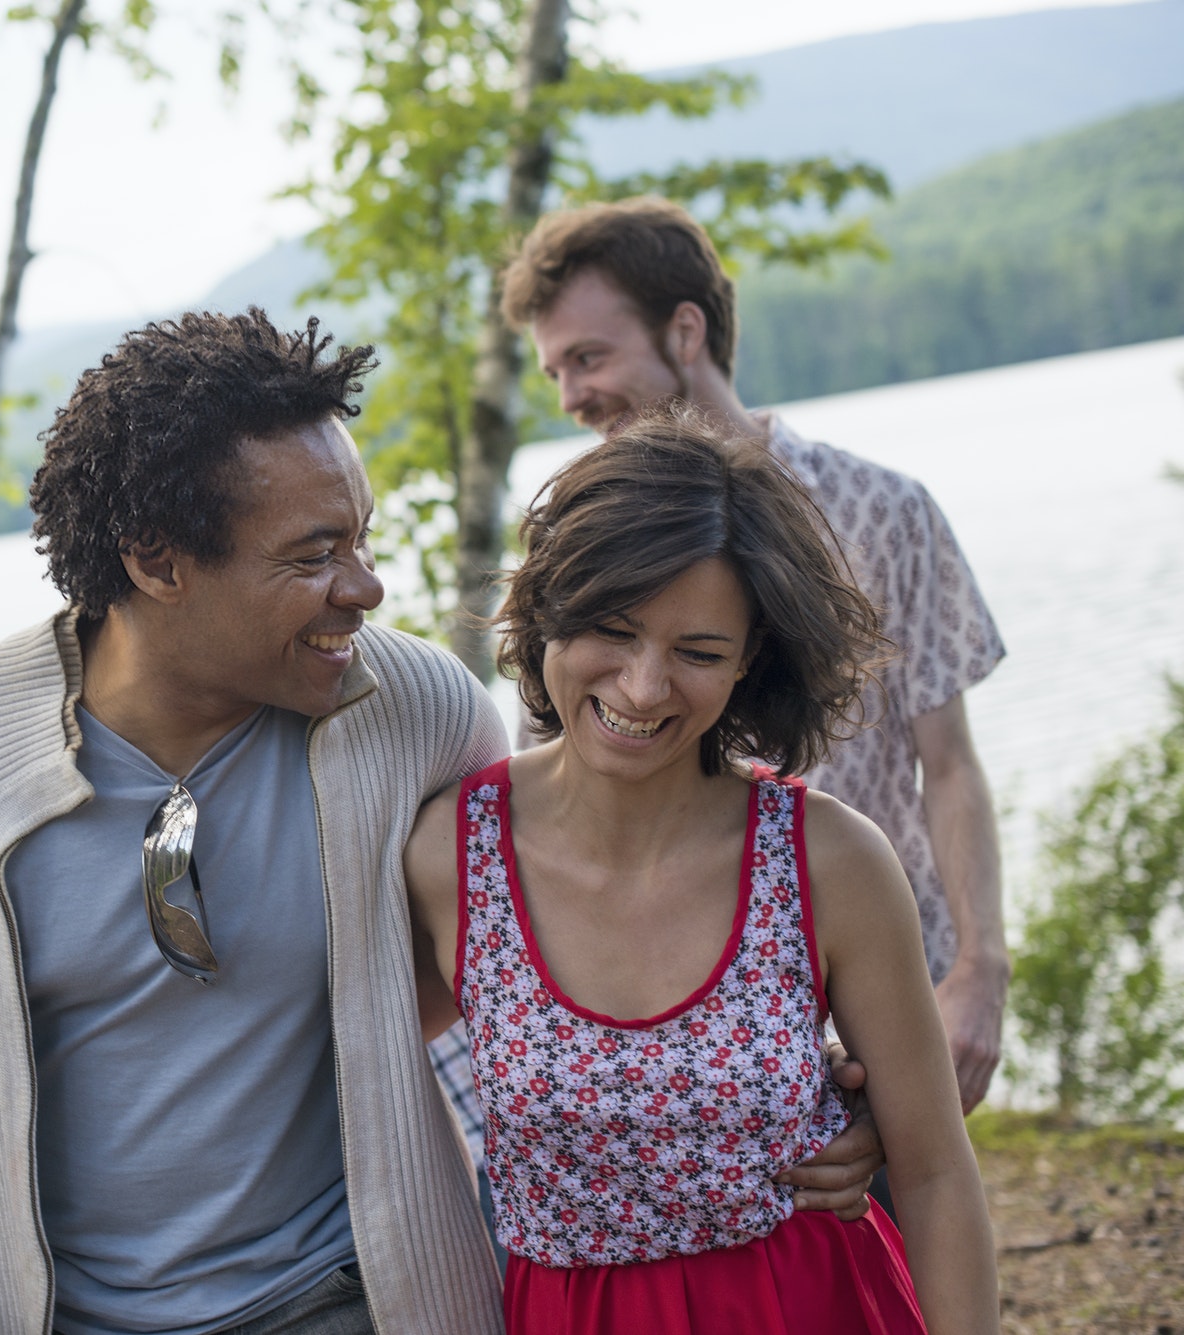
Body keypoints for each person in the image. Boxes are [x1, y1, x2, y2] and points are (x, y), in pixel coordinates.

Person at [0, 308, 876, 1335]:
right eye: (313, 553)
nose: (363, 588)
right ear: (157, 561)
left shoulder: (420, 715)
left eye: (359, 538)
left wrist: (797, 1087)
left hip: (356, 1296)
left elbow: (565, 954)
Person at [405, 414, 997, 1333]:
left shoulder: (831, 861)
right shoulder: (451, 854)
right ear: (550, 605)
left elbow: (932, 1170)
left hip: (814, 1304)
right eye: (613, 627)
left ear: (750, 659)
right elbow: (345, 1070)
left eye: (699, 652)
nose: (644, 688)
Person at [500, 198, 1009, 1119]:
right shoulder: (578, 548)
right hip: (683, 1048)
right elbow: (554, 794)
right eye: (554, 370)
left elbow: (952, 765)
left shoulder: (882, 511)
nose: (570, 394)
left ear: (685, 330)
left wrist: (981, 967)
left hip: (883, 1016)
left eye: (588, 356)